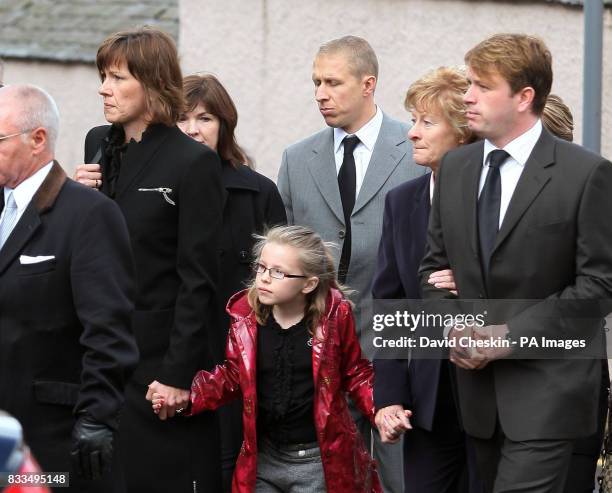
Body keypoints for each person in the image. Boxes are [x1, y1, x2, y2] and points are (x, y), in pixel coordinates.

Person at [419, 33, 612, 492]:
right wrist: (453, 329)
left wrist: (507, 337)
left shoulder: (585, 175)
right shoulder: (456, 169)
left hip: (549, 391)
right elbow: (432, 271)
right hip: (477, 396)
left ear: (525, 97)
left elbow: (599, 287)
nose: (467, 96)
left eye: (483, 86)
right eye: (469, 83)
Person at [73, 27, 223, 492]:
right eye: (103, 76)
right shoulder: (98, 143)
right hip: (92, 356)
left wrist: (177, 374)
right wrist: (77, 201)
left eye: (117, 78)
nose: (104, 88)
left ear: (153, 83)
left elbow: (199, 279)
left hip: (155, 367)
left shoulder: (192, 162)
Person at [277, 35, 426, 492]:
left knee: (400, 477)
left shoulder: (416, 148)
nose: (320, 93)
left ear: (368, 84)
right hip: (321, 352)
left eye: (333, 82)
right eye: (316, 82)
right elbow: (284, 253)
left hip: (399, 348)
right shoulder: (298, 158)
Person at [152, 225, 387, 493]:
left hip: (317, 463)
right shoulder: (245, 319)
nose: (264, 278)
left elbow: (355, 372)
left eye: (278, 272)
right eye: (261, 268)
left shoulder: (334, 317)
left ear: (308, 284)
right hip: (264, 459)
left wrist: (381, 409)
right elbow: (233, 374)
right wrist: (189, 395)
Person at [0, 84, 138, 492]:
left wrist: (97, 417)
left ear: (37, 139)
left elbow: (108, 329)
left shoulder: (88, 215)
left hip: (54, 435)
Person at [372, 67, 482, 493]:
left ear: (462, 133)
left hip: (492, 396)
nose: (412, 133)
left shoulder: (497, 201)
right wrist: (390, 397)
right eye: (413, 120)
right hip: (427, 405)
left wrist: (470, 280)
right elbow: (391, 304)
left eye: (427, 122)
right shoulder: (402, 202)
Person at [178, 73, 286, 492]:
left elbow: (284, 286)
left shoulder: (258, 193)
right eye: (182, 118)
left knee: (229, 471)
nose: (192, 129)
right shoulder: (153, 190)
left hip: (238, 364)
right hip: (170, 359)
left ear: (224, 124)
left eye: (204, 118)